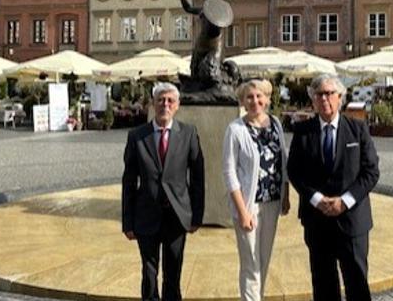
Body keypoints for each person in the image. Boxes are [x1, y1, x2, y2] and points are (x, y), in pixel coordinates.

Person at [287, 74, 380, 301]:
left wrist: (345, 200)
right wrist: (316, 199)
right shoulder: (303, 132)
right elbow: (295, 172)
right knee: (323, 284)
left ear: (340, 98)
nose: (325, 99)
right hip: (317, 221)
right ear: (313, 99)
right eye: (319, 94)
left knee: (357, 283)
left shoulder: (357, 129)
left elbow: (371, 172)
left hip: (352, 221)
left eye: (330, 93)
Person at [122, 83, 205, 301]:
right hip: (146, 215)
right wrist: (127, 222)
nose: (165, 105)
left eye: (170, 101)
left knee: (173, 274)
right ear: (153, 103)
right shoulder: (137, 136)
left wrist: (197, 215)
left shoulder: (188, 133)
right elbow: (129, 181)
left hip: (177, 216)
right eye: (160, 100)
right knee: (149, 274)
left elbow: (197, 177)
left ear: (177, 106)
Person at [222, 79, 290, 300]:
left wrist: (286, 194)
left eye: (259, 96)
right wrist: (242, 211)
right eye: (249, 97)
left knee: (264, 259)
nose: (255, 101)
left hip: (272, 202)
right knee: (251, 264)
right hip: (248, 205)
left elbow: (283, 161)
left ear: (268, 99)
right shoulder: (235, 129)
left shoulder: (276, 124)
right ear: (242, 101)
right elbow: (229, 172)